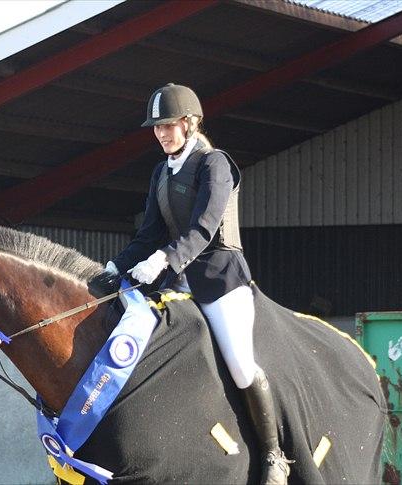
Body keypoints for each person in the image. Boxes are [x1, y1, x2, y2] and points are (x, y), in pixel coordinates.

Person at [105, 83, 292, 484]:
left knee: (241, 366)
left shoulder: (214, 164)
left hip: (221, 279)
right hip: (176, 281)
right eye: (156, 128)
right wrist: (114, 266)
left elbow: (205, 227)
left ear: (189, 124)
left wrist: (164, 258)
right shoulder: (160, 172)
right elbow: (148, 234)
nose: (161, 134)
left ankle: (275, 454)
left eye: (168, 126)